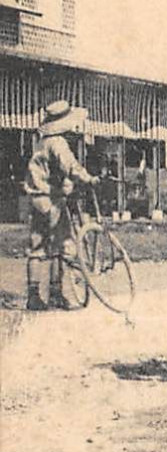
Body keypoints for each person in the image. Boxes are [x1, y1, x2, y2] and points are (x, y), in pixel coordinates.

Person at [23, 100, 98, 311]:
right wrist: (88, 178)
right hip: (51, 200)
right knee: (65, 245)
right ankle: (59, 293)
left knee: (37, 246)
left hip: (37, 199)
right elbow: (70, 166)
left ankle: (34, 295)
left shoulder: (42, 142)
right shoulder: (58, 143)